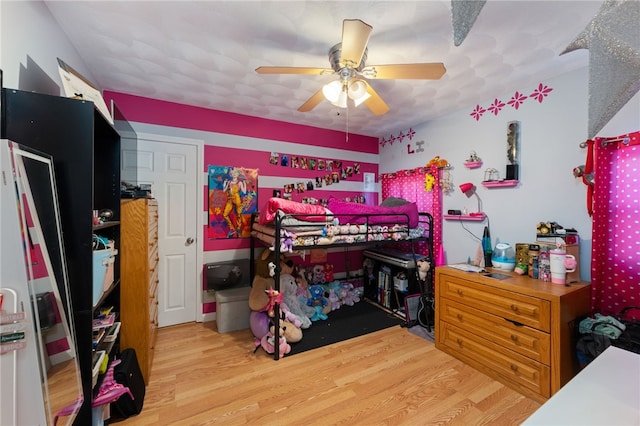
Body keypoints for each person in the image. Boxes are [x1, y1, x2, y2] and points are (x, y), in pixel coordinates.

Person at [223, 168, 246, 238]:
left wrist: (244, 184)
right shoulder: (229, 182)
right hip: (230, 199)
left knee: (239, 214)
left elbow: (244, 192)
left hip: (237, 198)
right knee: (225, 214)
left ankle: (238, 229)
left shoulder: (240, 182)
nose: (234, 175)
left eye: (235, 173)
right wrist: (224, 184)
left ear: (238, 174)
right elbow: (224, 191)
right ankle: (232, 228)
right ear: (231, 174)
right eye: (233, 173)